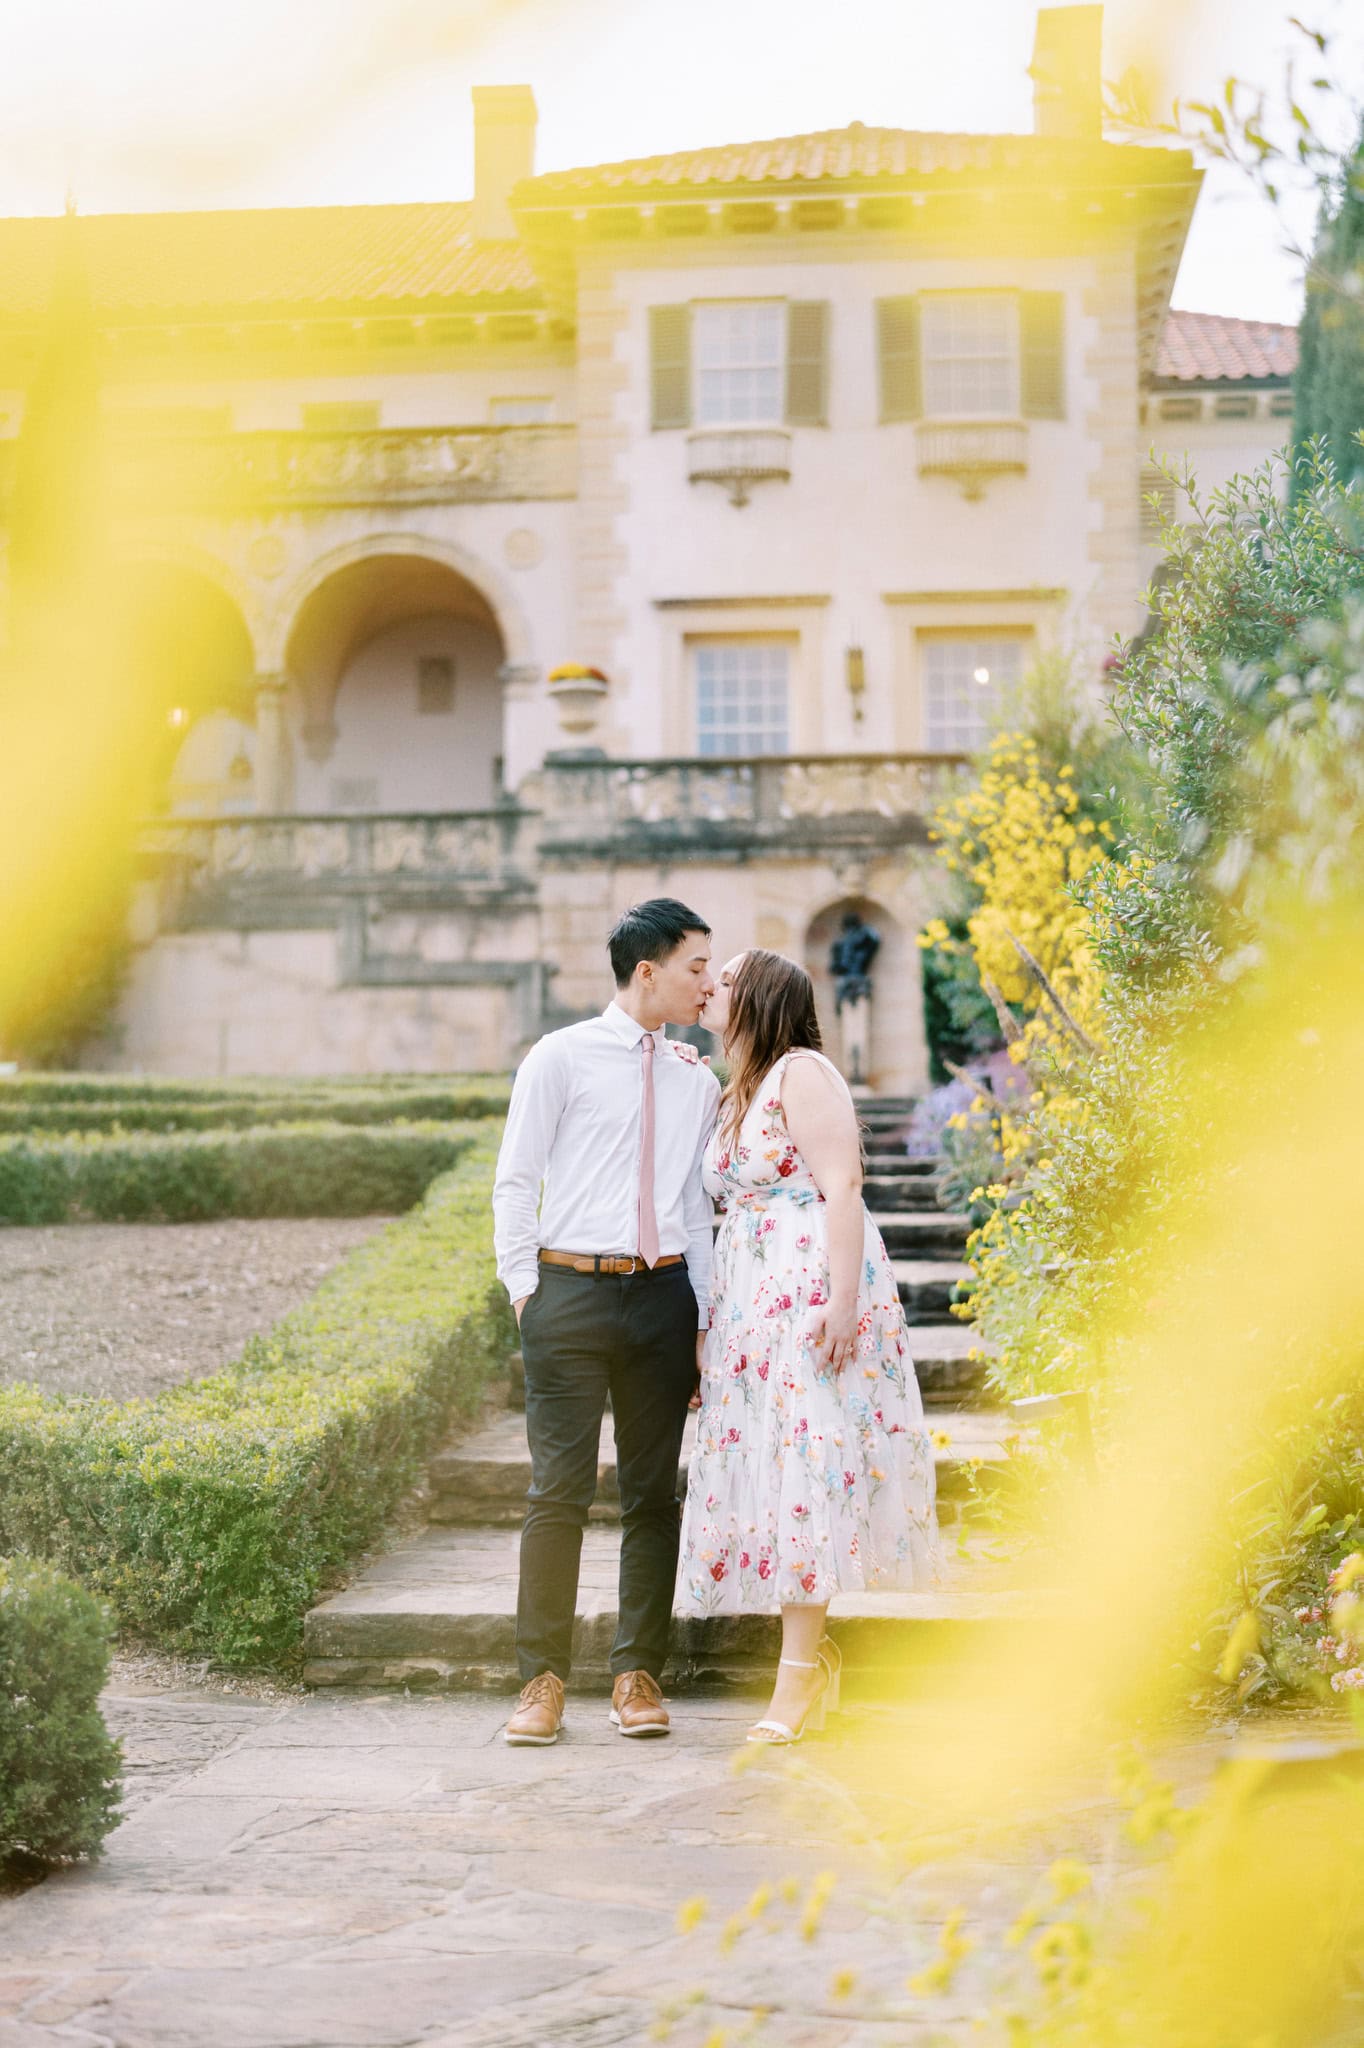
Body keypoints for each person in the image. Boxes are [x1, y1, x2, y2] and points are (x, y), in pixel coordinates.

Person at [679, 948, 939, 1743]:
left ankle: (793, 1686)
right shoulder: (739, 1087)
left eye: (721, 980)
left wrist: (842, 1301)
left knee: (806, 1476)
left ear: (754, 997)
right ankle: (814, 1668)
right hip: (749, 1303)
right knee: (773, 1473)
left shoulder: (803, 1072)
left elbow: (844, 1187)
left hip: (805, 1295)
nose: (708, 988)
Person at [493, 899, 720, 1746]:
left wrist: (703, 1313)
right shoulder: (560, 1058)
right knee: (556, 1493)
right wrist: (525, 1292)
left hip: (664, 1301)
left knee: (653, 1496)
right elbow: (516, 1180)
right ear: (648, 971)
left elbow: (697, 1211)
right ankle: (540, 1682)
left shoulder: (697, 1079)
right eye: (697, 966)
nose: (709, 981)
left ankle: (636, 1674)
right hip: (568, 1296)